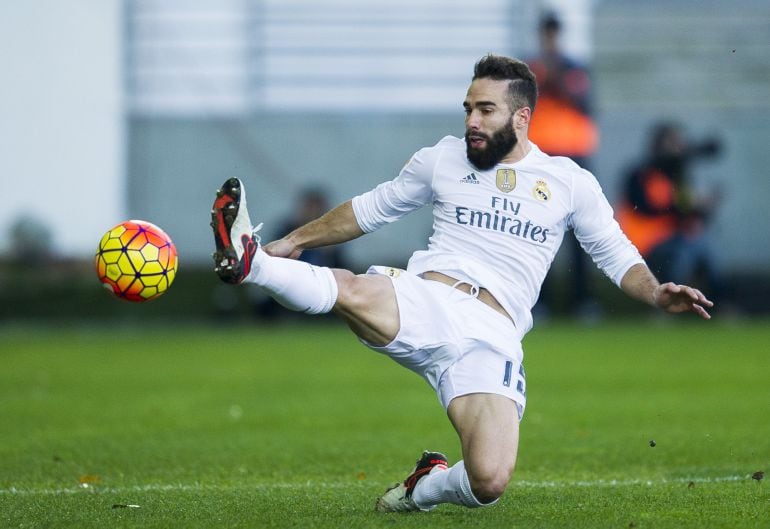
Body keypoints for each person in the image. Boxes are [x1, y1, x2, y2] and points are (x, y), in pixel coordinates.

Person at [210, 55, 713, 513]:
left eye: (486, 110)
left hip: (493, 336)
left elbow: (614, 251)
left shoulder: (569, 181)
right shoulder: (441, 158)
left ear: (521, 117)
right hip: (428, 297)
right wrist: (290, 241)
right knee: (354, 288)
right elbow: (368, 210)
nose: (472, 121)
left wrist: (655, 291)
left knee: (489, 481)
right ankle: (250, 263)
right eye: (468, 108)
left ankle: (425, 486)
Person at [526, 12, 600, 319]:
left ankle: (581, 301)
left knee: (578, 227)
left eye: (554, 34)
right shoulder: (530, 69)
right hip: (539, 156)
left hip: (573, 156)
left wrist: (557, 79)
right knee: (534, 228)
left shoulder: (574, 68)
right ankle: (536, 301)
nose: (550, 40)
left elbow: (586, 104)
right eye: (547, 34)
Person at [616, 121, 723, 299]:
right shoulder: (640, 174)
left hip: (672, 237)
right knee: (681, 254)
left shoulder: (678, 176)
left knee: (702, 246)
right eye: (672, 143)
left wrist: (702, 209)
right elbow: (645, 208)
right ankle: (667, 302)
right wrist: (685, 204)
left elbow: (685, 214)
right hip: (645, 241)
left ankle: (718, 304)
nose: (677, 149)